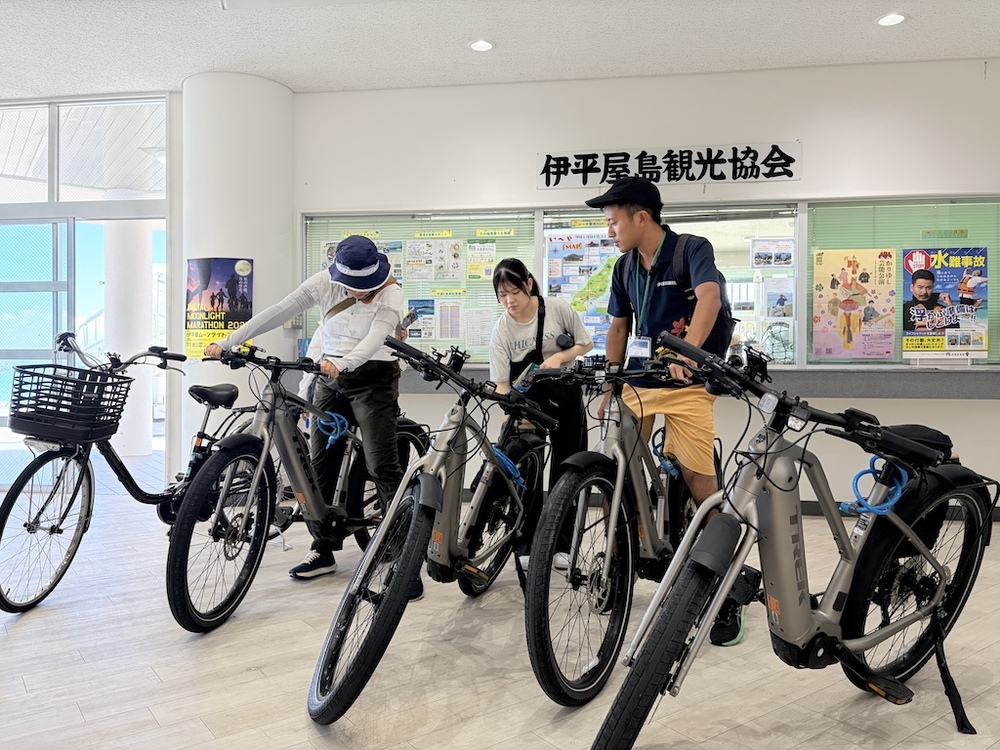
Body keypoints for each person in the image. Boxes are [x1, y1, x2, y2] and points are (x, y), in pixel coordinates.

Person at [585, 176, 759, 647]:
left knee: (701, 483)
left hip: (687, 385)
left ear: (641, 217)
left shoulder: (690, 249)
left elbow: (710, 298)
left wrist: (689, 354)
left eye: (614, 221)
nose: (609, 230)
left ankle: (725, 587)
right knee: (616, 469)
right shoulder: (624, 267)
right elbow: (619, 326)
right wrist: (611, 378)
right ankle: (617, 562)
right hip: (640, 383)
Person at [205, 236, 422, 599]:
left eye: (364, 286)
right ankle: (323, 548)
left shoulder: (391, 293)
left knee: (382, 464)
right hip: (329, 378)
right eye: (352, 285)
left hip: (374, 380)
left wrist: (344, 362)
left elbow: (377, 337)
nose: (358, 292)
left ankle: (405, 560)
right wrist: (228, 341)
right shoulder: (324, 282)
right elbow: (280, 310)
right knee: (319, 466)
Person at [487, 257, 594, 565]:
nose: (509, 301)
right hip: (527, 404)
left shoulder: (557, 309)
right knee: (526, 472)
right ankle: (526, 544)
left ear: (529, 284)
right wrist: (509, 408)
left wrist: (559, 357)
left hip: (565, 397)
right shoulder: (502, 329)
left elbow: (585, 344)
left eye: (514, 292)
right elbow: (502, 384)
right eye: (502, 295)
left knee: (567, 469)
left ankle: (562, 545)